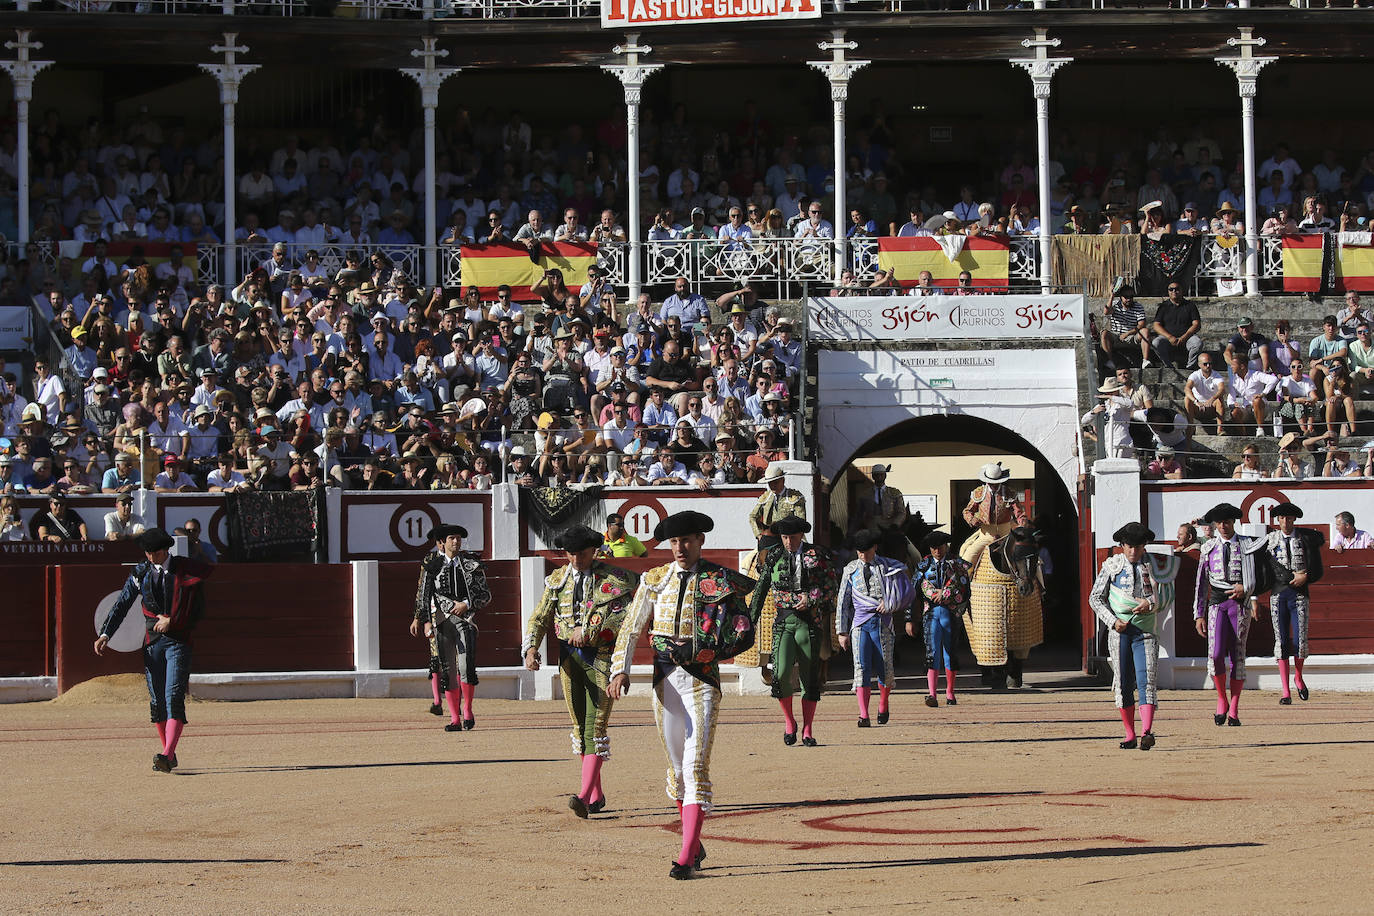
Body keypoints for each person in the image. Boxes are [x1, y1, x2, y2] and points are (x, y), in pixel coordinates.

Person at [609, 510, 756, 880]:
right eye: (674, 542)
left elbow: (742, 632)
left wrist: (705, 651)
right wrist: (620, 669)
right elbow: (630, 626)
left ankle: (686, 854)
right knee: (676, 769)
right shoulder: (654, 579)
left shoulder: (718, 580)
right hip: (664, 681)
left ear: (700, 541)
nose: (680, 548)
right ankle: (694, 839)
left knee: (694, 767)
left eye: (687, 540)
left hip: (702, 679)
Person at [523, 525, 640, 818]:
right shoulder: (557, 579)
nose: (575, 560)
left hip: (601, 659)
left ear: (595, 551)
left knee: (596, 726)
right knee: (580, 727)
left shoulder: (616, 579)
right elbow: (539, 618)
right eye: (571, 554)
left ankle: (585, 795)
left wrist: (589, 632)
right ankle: (597, 794)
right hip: (569, 661)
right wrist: (531, 648)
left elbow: (624, 621)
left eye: (582, 554)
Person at [94, 528, 215, 773]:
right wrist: (106, 633)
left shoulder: (185, 569)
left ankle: (167, 753)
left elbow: (198, 610)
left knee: (173, 695)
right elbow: (122, 603)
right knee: (158, 700)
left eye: (154, 553)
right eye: (147, 553)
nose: (149, 558)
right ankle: (168, 754)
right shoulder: (141, 572)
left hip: (178, 640)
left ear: (165, 551)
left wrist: (173, 620)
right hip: (152, 641)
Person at [748, 514, 838, 747]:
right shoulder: (774, 556)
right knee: (779, 675)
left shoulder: (817, 555)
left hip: (809, 623)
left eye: (792, 537)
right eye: (785, 537)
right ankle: (790, 723)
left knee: (810, 678)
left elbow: (831, 586)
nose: (788, 541)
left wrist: (812, 598)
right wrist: (750, 619)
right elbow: (761, 589)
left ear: (801, 535)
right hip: (784, 622)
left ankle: (808, 729)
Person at [410, 524, 491, 730]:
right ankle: (454, 718)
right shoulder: (432, 566)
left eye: (458, 538)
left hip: (465, 621)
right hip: (441, 621)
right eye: (451, 539)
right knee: (448, 669)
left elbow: (485, 595)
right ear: (442, 543)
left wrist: (467, 604)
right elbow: (424, 596)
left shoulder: (471, 564)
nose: (456, 542)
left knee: (466, 667)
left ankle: (468, 710)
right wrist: (424, 619)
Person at [1089, 522, 1161, 750]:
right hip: (1120, 632)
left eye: (1138, 547)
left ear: (1144, 546)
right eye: (1129, 546)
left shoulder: (1152, 567)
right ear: (1122, 545)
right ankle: (1130, 734)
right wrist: (1112, 621)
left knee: (1146, 679)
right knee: (1123, 682)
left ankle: (1147, 731)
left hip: (1145, 631)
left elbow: (1164, 596)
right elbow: (1095, 598)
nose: (1133, 551)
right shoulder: (1111, 566)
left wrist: (1148, 603)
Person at [836, 528, 915, 727]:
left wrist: (891, 602)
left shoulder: (888, 566)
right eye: (860, 552)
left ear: (875, 548)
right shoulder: (850, 569)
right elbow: (843, 602)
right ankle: (863, 714)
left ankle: (883, 703)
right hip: (860, 624)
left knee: (884, 668)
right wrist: (842, 631)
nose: (863, 556)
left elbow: (905, 590)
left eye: (867, 551)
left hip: (882, 624)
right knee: (860, 668)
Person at [1193, 503, 1261, 727]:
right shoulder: (1208, 548)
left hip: (1239, 605)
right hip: (1217, 605)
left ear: (1234, 522)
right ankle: (1222, 699)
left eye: (1227, 522)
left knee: (1237, 655)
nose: (1223, 526)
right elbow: (1201, 585)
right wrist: (1199, 614)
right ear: (1214, 524)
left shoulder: (1247, 545)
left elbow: (1260, 576)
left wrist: (1248, 590)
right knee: (1215, 654)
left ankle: (1234, 708)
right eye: (1219, 522)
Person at [1264, 503, 1324, 706]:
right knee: (1281, 641)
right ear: (1277, 520)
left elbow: (1317, 568)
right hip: (1278, 595)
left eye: (1289, 518)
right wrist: (1254, 597)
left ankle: (1298, 677)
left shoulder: (1305, 539)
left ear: (1294, 520)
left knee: (1300, 640)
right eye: (1281, 518)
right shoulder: (1270, 540)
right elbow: (1262, 569)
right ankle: (1284, 690)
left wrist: (1306, 577)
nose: (1285, 522)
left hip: (1299, 595)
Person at [914, 530, 971, 707]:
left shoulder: (957, 564)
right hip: (931, 613)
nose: (937, 551)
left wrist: (945, 594)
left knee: (950, 652)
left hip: (950, 614)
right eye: (934, 548)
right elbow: (915, 590)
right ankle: (932, 693)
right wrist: (933, 594)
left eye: (940, 547)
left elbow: (964, 589)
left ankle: (950, 692)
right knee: (932, 653)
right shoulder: (923, 565)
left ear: (946, 546)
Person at [853, 463, 909, 561]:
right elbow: (858, 515)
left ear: (885, 475)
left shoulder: (895, 493)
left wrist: (895, 524)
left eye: (881, 475)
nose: (879, 477)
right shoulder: (865, 494)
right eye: (877, 475)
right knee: (854, 555)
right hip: (871, 530)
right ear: (873, 476)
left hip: (891, 529)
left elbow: (901, 512)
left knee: (914, 554)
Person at [748, 462, 804, 554]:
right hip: (769, 538)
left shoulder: (795, 497)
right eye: (770, 483)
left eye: (776, 482)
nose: (773, 485)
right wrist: (758, 534)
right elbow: (752, 516)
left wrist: (791, 538)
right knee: (751, 563)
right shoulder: (765, 497)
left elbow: (801, 521)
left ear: (783, 480)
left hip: (789, 538)